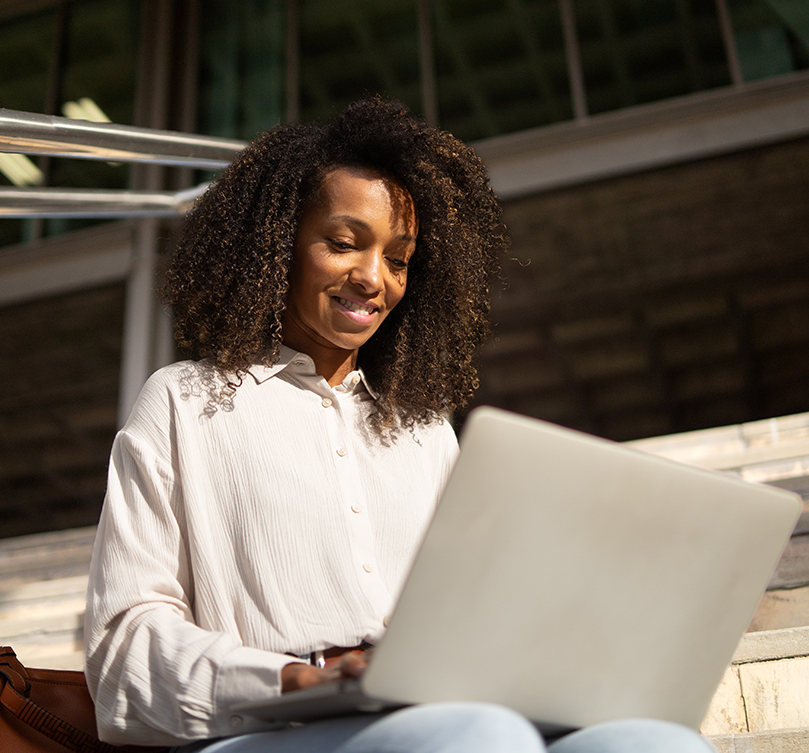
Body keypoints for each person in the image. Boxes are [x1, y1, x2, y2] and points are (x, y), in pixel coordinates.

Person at [83, 98, 713, 753]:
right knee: (478, 736)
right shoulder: (184, 402)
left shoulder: (424, 431)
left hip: (430, 710)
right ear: (278, 247)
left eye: (399, 258)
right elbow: (125, 641)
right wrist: (296, 679)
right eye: (343, 243)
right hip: (271, 726)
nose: (372, 278)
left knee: (658, 741)